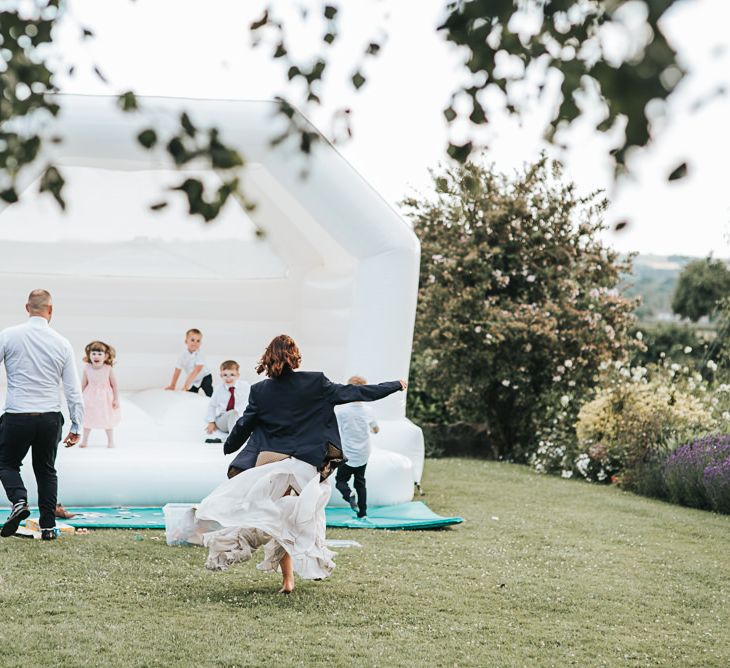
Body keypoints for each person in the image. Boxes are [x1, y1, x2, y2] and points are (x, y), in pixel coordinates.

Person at [195, 334, 407, 593]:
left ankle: (251, 560)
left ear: (268, 357)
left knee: (273, 515)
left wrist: (229, 446)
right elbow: (356, 392)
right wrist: (395, 385)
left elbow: (244, 424)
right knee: (296, 517)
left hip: (270, 460)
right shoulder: (315, 382)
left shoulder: (260, 390)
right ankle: (299, 571)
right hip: (305, 463)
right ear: (294, 356)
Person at [0, 289, 83, 540]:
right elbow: (73, 389)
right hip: (49, 416)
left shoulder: (8, 336)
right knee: (46, 470)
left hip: (17, 415)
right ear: (51, 310)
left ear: (27, 308)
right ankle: (47, 527)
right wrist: (77, 425)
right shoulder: (62, 342)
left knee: (6, 463)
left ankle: (19, 500)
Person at [334, 375, 379, 519]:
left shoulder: (341, 412)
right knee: (360, 482)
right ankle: (362, 513)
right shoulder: (369, 411)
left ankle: (348, 494)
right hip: (363, 453)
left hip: (347, 453)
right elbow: (376, 429)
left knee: (340, 481)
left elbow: (336, 431)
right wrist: (371, 429)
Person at [79, 340, 121, 448]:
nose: (96, 356)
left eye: (99, 353)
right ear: (89, 355)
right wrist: (79, 398)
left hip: (105, 398)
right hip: (90, 397)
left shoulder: (108, 369)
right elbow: (83, 385)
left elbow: (115, 386)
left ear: (105, 356)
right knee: (88, 418)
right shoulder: (87, 368)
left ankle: (110, 441)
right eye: (93, 353)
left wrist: (116, 399)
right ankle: (84, 441)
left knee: (107, 419)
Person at [204, 360, 250, 443]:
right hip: (223, 421)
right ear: (221, 375)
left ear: (238, 375)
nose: (228, 378)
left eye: (232, 375)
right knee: (233, 413)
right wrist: (211, 421)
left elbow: (253, 401)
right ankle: (231, 439)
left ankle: (240, 437)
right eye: (225, 375)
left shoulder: (245, 386)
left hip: (240, 420)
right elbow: (212, 406)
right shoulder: (218, 389)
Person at [164, 328, 213, 397]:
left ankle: (216, 401)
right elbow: (177, 370)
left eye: (198, 341)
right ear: (186, 341)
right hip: (193, 380)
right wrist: (173, 385)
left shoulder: (200, 354)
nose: (195, 343)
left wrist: (186, 385)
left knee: (209, 391)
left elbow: (197, 370)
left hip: (205, 377)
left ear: (201, 343)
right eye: (192, 340)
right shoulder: (183, 355)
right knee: (190, 394)